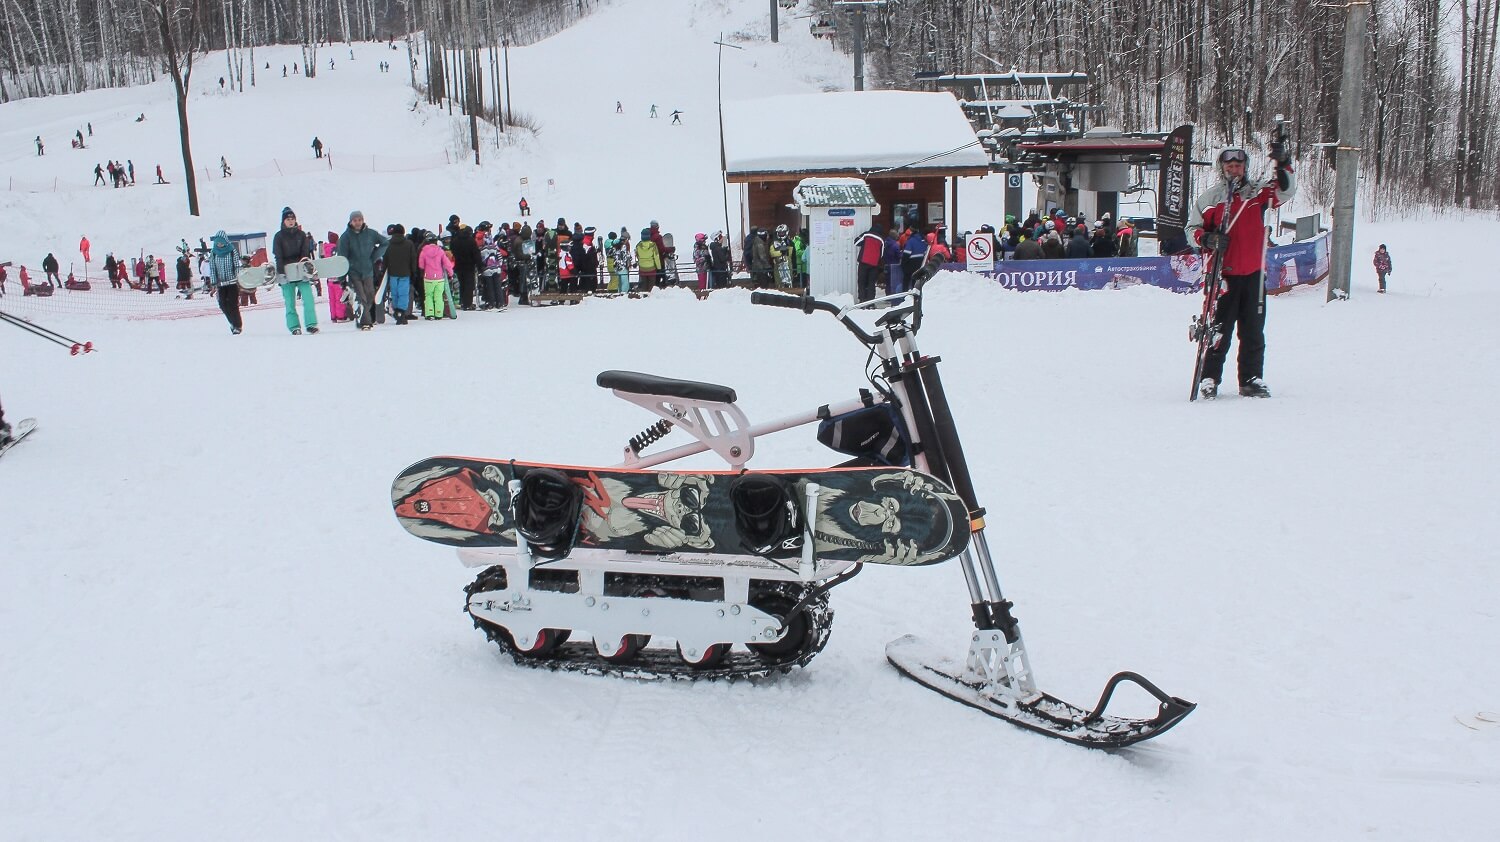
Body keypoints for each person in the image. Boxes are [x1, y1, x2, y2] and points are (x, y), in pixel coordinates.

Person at [1187, 145, 1297, 399]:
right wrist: (1207, 238)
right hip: (1222, 276)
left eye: (1238, 165)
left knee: (1253, 331)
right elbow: (1191, 229)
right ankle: (1209, 377)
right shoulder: (1210, 199)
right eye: (1229, 166)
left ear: (1244, 167)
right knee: (1219, 330)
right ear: (1222, 168)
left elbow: (1286, 190)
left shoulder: (1257, 194)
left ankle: (1251, 378)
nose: (1234, 169)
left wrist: (1283, 163)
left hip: (1253, 275)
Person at [336, 210, 390, 330]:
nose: (358, 222)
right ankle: (365, 322)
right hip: (353, 271)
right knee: (361, 296)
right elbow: (341, 258)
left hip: (368, 270)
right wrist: (342, 278)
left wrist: (374, 257)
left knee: (370, 294)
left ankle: (360, 315)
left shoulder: (371, 234)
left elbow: (385, 243)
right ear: (351, 222)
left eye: (360, 220)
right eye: (355, 220)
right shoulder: (345, 237)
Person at [273, 207, 319, 334]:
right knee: (290, 302)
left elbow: (305, 253)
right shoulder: (278, 236)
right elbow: (278, 256)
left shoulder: (301, 235)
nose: (291, 221)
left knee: (308, 299)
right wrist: (281, 273)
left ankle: (311, 324)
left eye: (292, 219)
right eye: (288, 219)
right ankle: (294, 326)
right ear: (283, 221)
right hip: (286, 272)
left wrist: (306, 269)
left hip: (301, 271)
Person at [206, 230, 244, 334]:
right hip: (221, 284)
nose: (219, 244)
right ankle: (232, 322)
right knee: (223, 304)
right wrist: (214, 283)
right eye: (217, 242)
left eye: (221, 242)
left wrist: (238, 278)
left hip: (232, 282)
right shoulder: (214, 253)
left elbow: (236, 265)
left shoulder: (232, 251)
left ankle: (237, 325)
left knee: (232, 304)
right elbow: (212, 268)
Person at [418, 232, 454, 320]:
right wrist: (451, 273)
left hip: (428, 277)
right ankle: (438, 313)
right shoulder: (440, 251)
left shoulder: (423, 251)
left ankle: (429, 313)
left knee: (428, 296)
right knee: (438, 296)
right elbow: (447, 264)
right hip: (439, 277)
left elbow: (421, 265)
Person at [855, 223, 884, 303]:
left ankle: (862, 300)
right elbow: (881, 254)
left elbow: (856, 243)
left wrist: (860, 237)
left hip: (863, 262)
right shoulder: (881, 239)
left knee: (862, 281)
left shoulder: (866, 234)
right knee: (871, 283)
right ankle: (870, 302)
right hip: (874, 265)